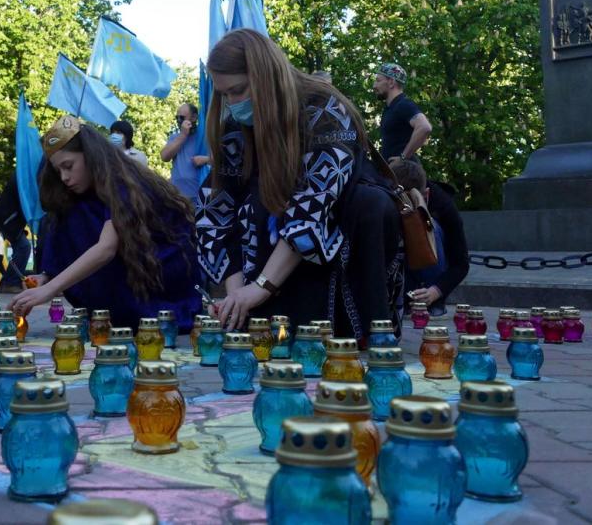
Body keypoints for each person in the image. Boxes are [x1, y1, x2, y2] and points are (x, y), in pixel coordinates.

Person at [198, 29, 403, 340]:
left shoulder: (326, 111)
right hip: (271, 256)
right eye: (224, 94)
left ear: (264, 77)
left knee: (368, 204)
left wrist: (261, 288)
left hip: (340, 235)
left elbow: (310, 211)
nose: (232, 102)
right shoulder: (237, 126)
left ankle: (364, 332)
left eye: (238, 90)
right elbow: (216, 209)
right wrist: (237, 293)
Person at [9, 115, 202, 331]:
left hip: (162, 283)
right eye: (58, 171)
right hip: (130, 276)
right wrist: (46, 277)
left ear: (90, 156)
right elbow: (74, 235)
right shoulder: (82, 194)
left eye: (68, 166)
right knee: (67, 209)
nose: (64, 177)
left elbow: (106, 248)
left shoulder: (123, 182)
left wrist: (50, 290)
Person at [391, 160, 469, 316]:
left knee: (429, 225)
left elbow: (460, 264)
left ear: (425, 195)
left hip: (431, 278)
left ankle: (430, 301)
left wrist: (436, 291)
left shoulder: (444, 208)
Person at [373, 63, 432, 164]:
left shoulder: (403, 104)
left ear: (391, 82)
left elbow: (425, 127)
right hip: (392, 174)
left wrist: (403, 158)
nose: (374, 85)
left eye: (378, 80)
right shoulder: (390, 108)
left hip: (403, 175)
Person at [0, 173, 32, 294]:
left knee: (22, 247)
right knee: (23, 247)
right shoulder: (26, 173)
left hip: (8, 217)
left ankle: (7, 283)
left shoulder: (23, 171)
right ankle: (10, 282)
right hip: (8, 217)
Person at [160, 103, 209, 200]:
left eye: (182, 118)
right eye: (177, 118)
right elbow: (164, 157)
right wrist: (183, 135)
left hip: (199, 195)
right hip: (177, 195)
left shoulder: (205, 137)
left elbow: (221, 160)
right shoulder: (175, 137)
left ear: (194, 117)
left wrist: (206, 160)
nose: (179, 121)